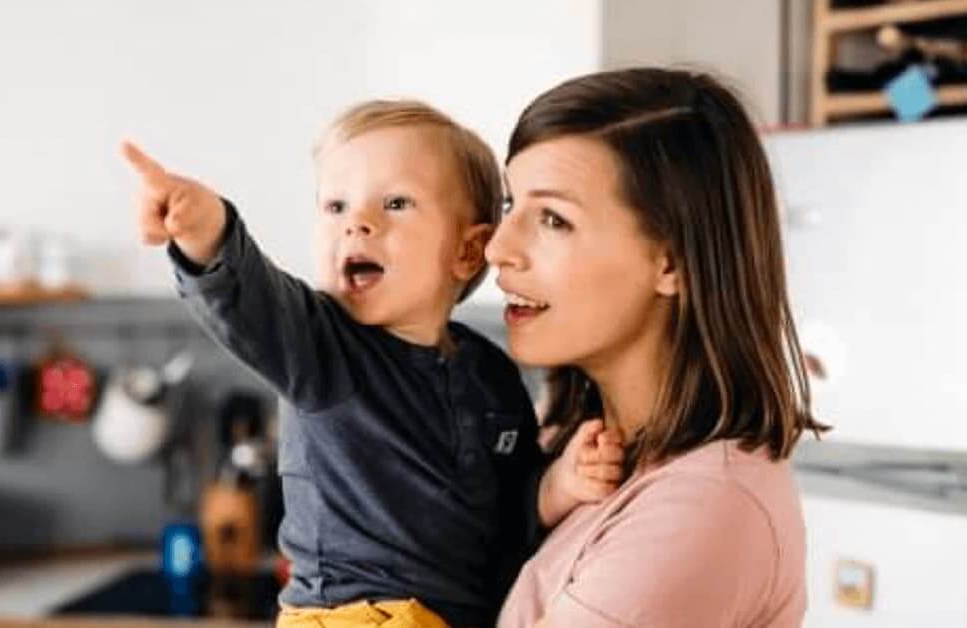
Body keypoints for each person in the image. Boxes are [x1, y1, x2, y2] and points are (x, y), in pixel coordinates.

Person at [122, 100, 625, 627]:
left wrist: (560, 485)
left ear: (468, 251)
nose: (357, 224)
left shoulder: (491, 375)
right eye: (335, 206)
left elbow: (509, 510)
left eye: (396, 204)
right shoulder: (320, 348)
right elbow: (248, 298)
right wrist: (206, 229)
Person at [489, 68, 829, 627]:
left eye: (553, 219)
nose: (498, 249)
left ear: (670, 261)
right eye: (509, 206)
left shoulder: (708, 507)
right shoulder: (565, 446)